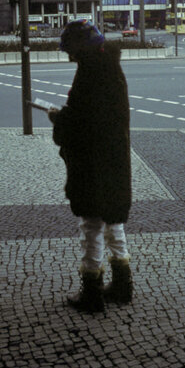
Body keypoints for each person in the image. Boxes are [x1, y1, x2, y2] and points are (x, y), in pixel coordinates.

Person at [48, 20, 133, 313]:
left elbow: (81, 123)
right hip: (114, 160)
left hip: (92, 164)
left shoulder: (89, 74)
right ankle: (123, 283)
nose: (69, 58)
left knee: (91, 225)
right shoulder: (111, 68)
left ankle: (91, 291)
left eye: (71, 52)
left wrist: (59, 119)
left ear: (80, 51)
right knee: (113, 221)